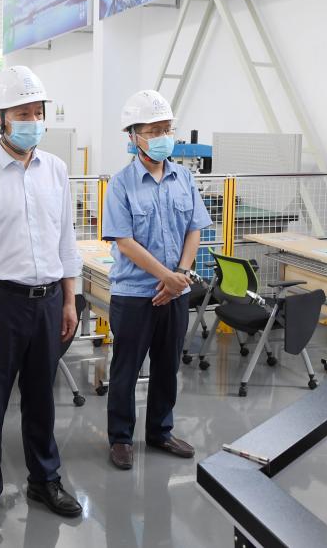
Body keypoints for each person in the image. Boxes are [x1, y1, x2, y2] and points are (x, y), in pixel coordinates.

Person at [0, 66, 84, 542]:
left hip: (48, 301)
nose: (33, 121)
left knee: (42, 399)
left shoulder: (56, 171)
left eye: (37, 112)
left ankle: (44, 480)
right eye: (22, 113)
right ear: (0, 120)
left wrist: (69, 300)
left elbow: (66, 239)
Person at [102, 90, 212, 470]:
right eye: (154, 130)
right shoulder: (121, 184)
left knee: (167, 367)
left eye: (167, 129)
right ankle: (120, 438)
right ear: (134, 137)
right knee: (126, 370)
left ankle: (160, 432)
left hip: (175, 292)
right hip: (135, 294)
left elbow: (195, 228)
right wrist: (167, 276)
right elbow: (124, 241)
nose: (164, 136)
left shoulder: (184, 178)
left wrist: (180, 275)